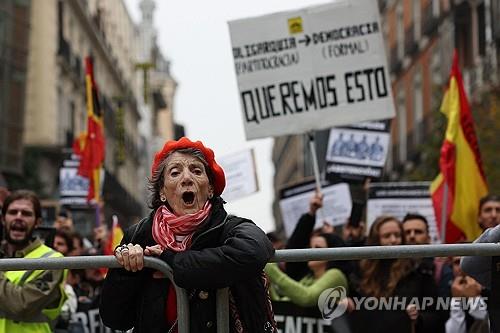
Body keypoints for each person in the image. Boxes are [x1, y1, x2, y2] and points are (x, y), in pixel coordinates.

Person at [99, 137, 276, 333]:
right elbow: (115, 319)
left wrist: (171, 261)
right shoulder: (140, 235)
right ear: (162, 192)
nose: (187, 178)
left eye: (197, 171)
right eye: (175, 173)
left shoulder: (230, 227)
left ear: (210, 189)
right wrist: (128, 269)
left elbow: (255, 250)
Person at [346, 216, 440, 333]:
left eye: (397, 235)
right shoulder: (361, 270)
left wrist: (418, 317)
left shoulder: (418, 270)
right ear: (376, 240)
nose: (394, 240)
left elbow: (435, 314)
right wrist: (347, 301)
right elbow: (351, 298)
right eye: (387, 236)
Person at [0, 190, 67, 333]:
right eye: (13, 212)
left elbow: (21, 306)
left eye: (26, 213)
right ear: (3, 219)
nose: (18, 217)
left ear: (38, 222)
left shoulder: (52, 261)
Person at [265, 233, 349, 307]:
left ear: (332, 255)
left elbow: (307, 297)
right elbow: (285, 302)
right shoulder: (309, 278)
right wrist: (268, 283)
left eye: (317, 248)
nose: (311, 251)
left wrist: (270, 268)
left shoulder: (336, 274)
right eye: (310, 247)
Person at [445, 256, 489, 333]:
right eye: (457, 262)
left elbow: (490, 325)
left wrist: (474, 298)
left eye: (465, 261)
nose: (461, 267)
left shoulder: (488, 286)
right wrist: (456, 300)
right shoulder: (446, 288)